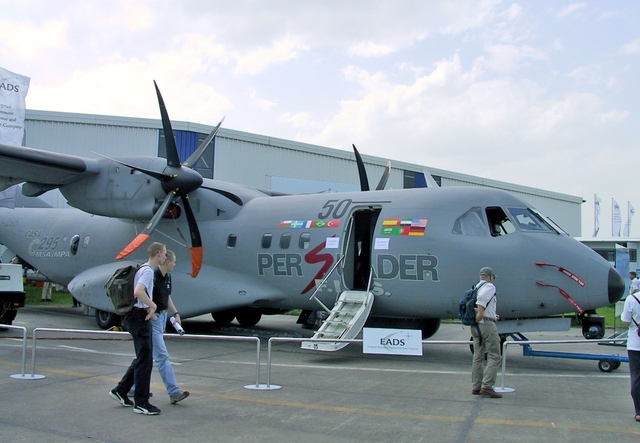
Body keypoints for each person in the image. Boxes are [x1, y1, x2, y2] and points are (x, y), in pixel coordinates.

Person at [109, 242, 166, 416]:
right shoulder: (148, 271)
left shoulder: (143, 268)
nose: (165, 256)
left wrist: (150, 308)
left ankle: (120, 390)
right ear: (158, 254)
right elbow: (138, 291)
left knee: (142, 357)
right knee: (145, 360)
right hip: (138, 317)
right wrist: (153, 305)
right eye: (164, 253)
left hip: (138, 316)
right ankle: (141, 402)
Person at [151, 250, 190, 404]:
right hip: (153, 319)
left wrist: (175, 313)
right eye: (174, 261)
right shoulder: (152, 277)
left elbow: (166, 296)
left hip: (161, 317)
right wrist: (153, 314)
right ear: (168, 262)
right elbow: (142, 294)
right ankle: (173, 391)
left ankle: (130, 386)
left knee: (145, 355)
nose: (175, 264)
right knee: (161, 356)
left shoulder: (167, 277)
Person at [470, 266, 502, 398]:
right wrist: (482, 315)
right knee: (494, 356)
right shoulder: (489, 286)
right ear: (490, 277)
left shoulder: (476, 287)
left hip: (476, 326)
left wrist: (491, 315)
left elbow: (477, 304)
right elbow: (482, 300)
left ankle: (476, 386)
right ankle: (487, 386)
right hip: (486, 325)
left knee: (478, 357)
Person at [621, 290, 640, 422]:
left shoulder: (632, 298)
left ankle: (638, 411)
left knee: (636, 377)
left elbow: (625, 321)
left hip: (635, 344)